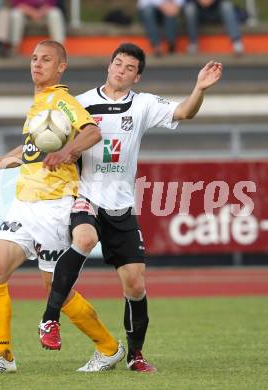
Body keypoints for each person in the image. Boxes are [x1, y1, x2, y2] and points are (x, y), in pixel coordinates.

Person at [39, 43, 223, 372]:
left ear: (136, 77)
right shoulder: (79, 104)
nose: (120, 70)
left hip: (121, 205)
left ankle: (135, 355)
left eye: (128, 68)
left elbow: (184, 112)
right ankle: (49, 320)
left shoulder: (143, 105)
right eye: (117, 63)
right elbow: (56, 138)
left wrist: (199, 89)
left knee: (135, 285)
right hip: (85, 194)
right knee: (83, 239)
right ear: (108, 65)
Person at [0, 40, 125, 375]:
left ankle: (109, 348)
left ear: (61, 66)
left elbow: (92, 132)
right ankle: (4, 357)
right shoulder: (38, 104)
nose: (37, 64)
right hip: (24, 204)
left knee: (57, 292)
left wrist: (68, 153)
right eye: (34, 58)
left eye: (46, 59)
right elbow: (29, 152)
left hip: (55, 205)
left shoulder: (62, 101)